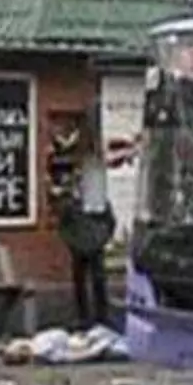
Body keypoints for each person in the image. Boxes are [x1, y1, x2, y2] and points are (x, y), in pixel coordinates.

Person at [55, 132, 117, 330]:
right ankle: (86, 316)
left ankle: (100, 316)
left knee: (97, 279)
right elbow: (63, 223)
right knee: (82, 281)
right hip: (81, 243)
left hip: (92, 242)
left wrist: (101, 238)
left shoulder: (95, 198)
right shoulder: (72, 203)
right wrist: (72, 242)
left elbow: (109, 220)